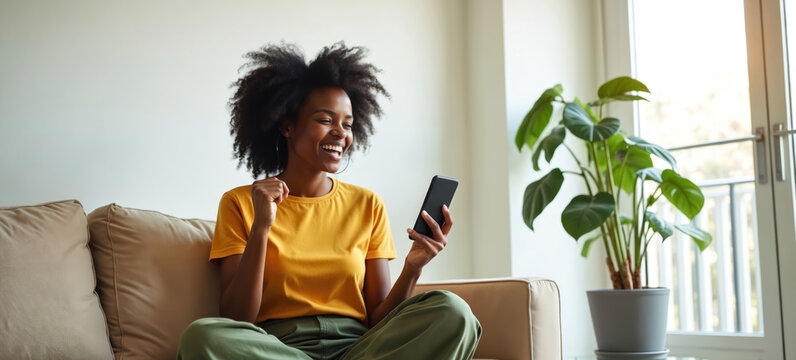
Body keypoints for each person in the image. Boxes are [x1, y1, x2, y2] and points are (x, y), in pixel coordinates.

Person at [176, 42, 481, 360]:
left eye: (347, 124)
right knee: (202, 337)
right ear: (287, 125)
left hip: (359, 349)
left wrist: (412, 268)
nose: (341, 133)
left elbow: (379, 320)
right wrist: (262, 226)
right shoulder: (241, 203)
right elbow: (237, 320)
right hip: (279, 350)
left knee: (453, 311)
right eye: (325, 120)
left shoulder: (367, 204)